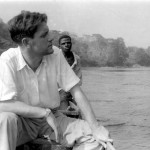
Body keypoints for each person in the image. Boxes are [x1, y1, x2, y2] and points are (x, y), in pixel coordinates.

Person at [0, 11, 113, 150]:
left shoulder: (55, 54)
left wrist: (95, 128)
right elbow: (3, 105)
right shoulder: (7, 61)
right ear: (26, 42)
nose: (51, 38)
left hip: (54, 118)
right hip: (22, 121)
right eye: (44, 35)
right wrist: (43, 113)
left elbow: (76, 91)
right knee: (5, 119)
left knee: (100, 139)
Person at [58, 35, 82, 117]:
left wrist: (74, 92)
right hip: (58, 91)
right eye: (63, 43)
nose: (66, 45)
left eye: (68, 42)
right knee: (65, 112)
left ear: (71, 44)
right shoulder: (55, 57)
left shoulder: (76, 58)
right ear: (59, 46)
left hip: (72, 90)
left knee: (80, 112)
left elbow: (78, 77)